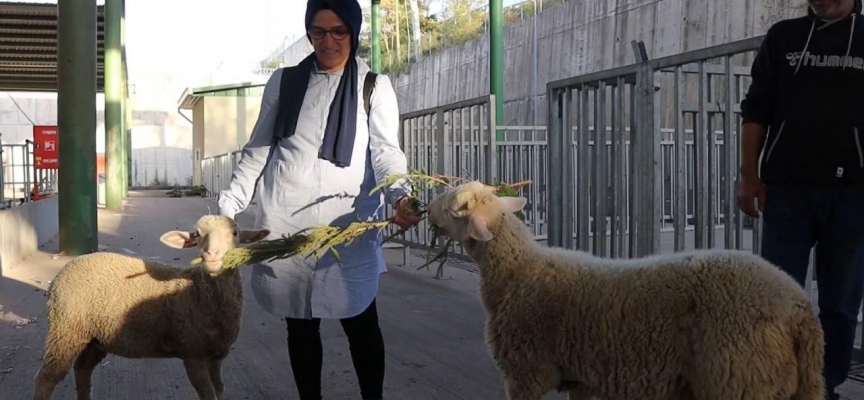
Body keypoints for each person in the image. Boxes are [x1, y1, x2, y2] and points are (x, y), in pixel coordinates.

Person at [217, 0, 421, 398]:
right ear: (309, 31)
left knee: (360, 321)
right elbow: (258, 148)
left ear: (354, 32)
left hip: (347, 225)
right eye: (319, 31)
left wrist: (400, 193)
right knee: (300, 322)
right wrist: (229, 207)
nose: (328, 42)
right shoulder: (284, 81)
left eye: (338, 31)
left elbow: (385, 150)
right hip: (287, 219)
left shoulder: (373, 86)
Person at [738, 0, 864, 398]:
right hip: (787, 192)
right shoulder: (783, 37)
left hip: (854, 195)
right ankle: (777, 384)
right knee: (776, 296)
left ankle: (822, 385)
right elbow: (755, 109)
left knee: (840, 303)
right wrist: (749, 176)